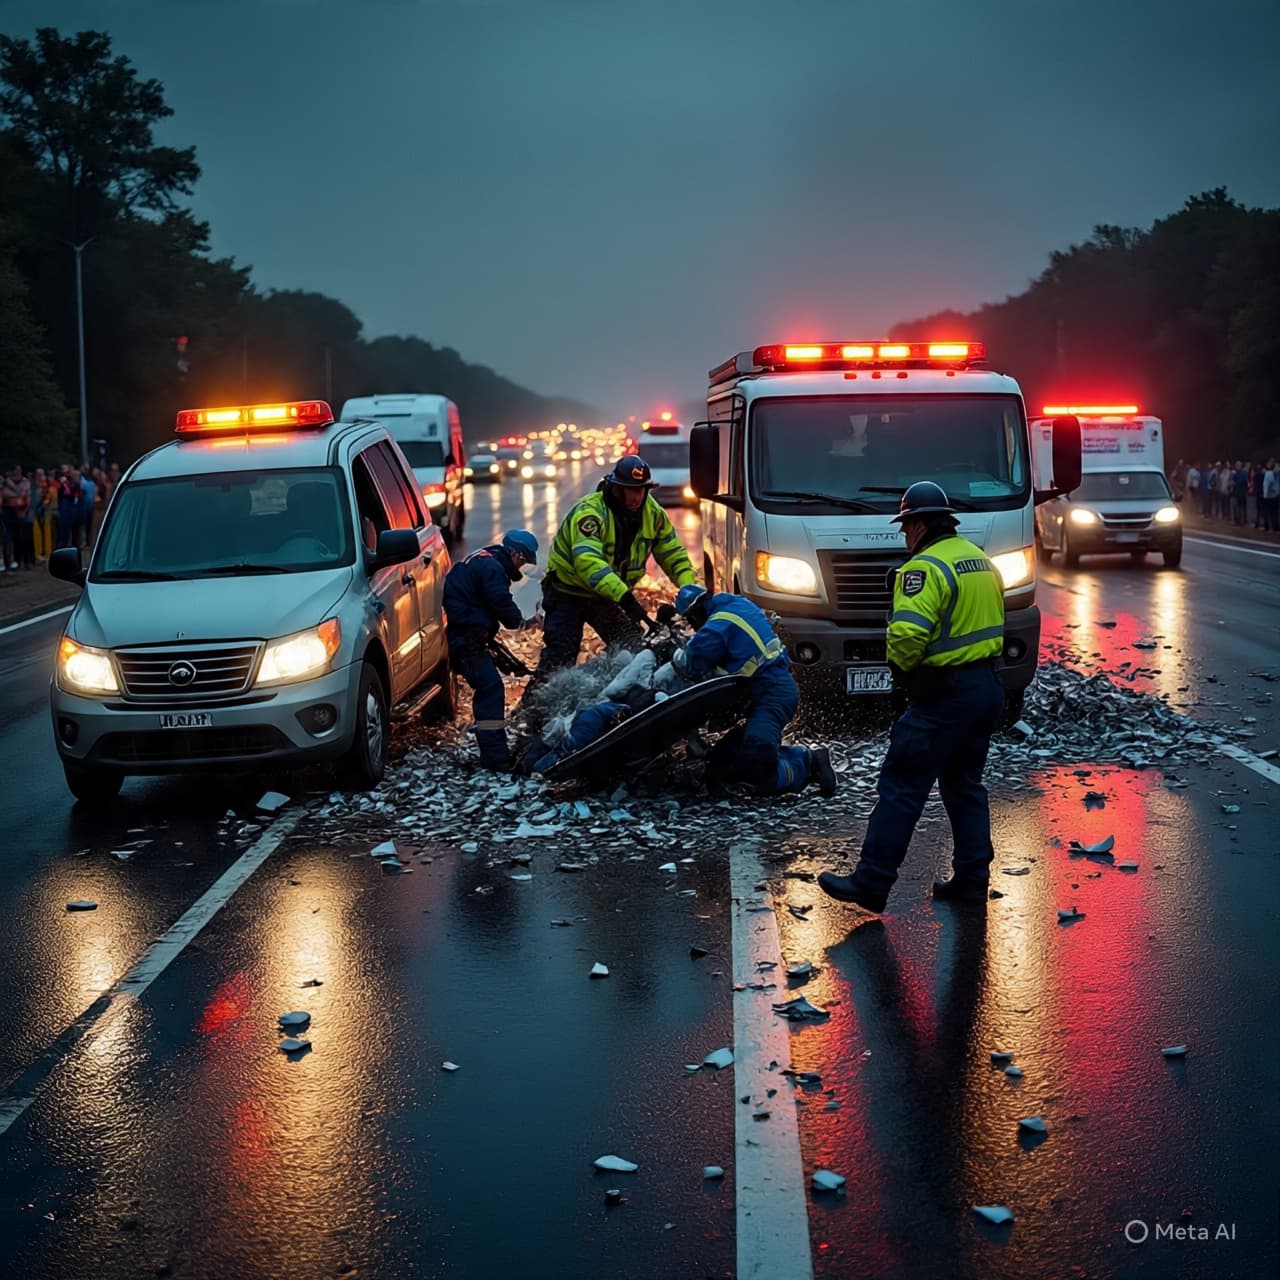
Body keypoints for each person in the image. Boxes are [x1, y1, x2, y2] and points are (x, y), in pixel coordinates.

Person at [818, 481, 1005, 913]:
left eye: (905, 528)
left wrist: (903, 677)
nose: (904, 536)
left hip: (945, 694)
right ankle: (972, 880)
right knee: (964, 786)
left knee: (902, 786)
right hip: (985, 688)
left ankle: (871, 883)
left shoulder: (923, 570)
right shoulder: (979, 561)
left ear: (919, 525)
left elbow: (906, 637)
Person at [525, 454, 697, 703]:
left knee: (635, 647)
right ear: (617, 489)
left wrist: (691, 591)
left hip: (605, 596)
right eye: (630, 490)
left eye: (641, 490)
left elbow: (673, 555)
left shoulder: (653, 514)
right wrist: (626, 599)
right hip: (567, 593)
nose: (636, 497)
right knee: (560, 657)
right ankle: (529, 716)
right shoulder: (591, 513)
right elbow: (588, 563)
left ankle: (632, 701)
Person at [671, 584, 837, 797]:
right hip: (770, 690)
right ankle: (751, 766)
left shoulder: (717, 626)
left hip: (773, 695)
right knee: (722, 761)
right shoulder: (736, 604)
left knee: (758, 760)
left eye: (691, 620)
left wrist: (674, 654)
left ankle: (808, 763)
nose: (693, 626)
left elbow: (693, 663)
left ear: (697, 611)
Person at [442, 529, 539, 770]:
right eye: (523, 560)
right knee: (490, 688)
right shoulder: (493, 569)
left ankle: (494, 752)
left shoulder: (486, 559)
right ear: (515, 553)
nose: (522, 566)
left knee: (490, 685)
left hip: (467, 633)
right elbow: (502, 604)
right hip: (466, 638)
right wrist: (520, 621)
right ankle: (495, 758)